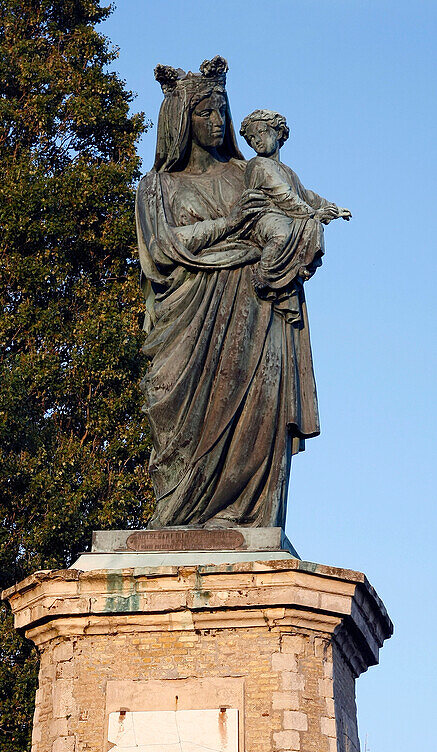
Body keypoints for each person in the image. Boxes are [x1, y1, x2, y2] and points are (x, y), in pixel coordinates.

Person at [135, 58, 320, 529]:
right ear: (181, 121)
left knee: (258, 423)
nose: (218, 123)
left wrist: (302, 233)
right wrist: (232, 224)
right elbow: (162, 248)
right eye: (205, 114)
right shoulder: (157, 187)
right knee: (180, 425)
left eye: (222, 112)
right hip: (189, 322)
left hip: (256, 312)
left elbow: (298, 221)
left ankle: (246, 520)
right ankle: (181, 516)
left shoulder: (250, 173)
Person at [239, 108, 350, 311]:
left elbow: (306, 196)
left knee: (311, 227)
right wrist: (313, 213)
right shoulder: (258, 164)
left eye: (261, 133)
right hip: (264, 217)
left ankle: (298, 268)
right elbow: (284, 195)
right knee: (282, 234)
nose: (257, 141)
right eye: (251, 138)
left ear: (278, 133)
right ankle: (265, 272)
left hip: (287, 216)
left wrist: (331, 208)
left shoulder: (288, 171)